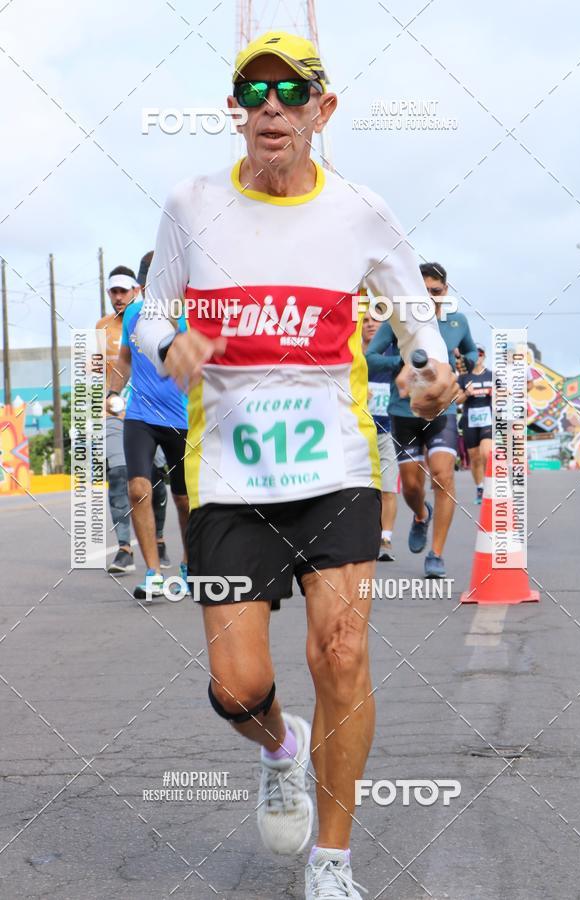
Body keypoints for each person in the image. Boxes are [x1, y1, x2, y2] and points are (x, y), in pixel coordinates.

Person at [136, 30, 456, 899]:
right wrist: (172, 344)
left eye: (289, 92)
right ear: (237, 110)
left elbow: (413, 323)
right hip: (230, 478)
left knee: (343, 651)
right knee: (239, 688)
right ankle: (279, 745)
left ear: (324, 109)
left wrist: (430, 373)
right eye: (253, 92)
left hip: (337, 469)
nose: (270, 107)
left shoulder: (359, 209)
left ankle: (333, 860)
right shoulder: (191, 203)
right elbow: (147, 313)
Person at [366, 262, 477, 578]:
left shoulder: (457, 322)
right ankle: (420, 514)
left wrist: (463, 363)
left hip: (443, 410)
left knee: (443, 477)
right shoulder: (399, 320)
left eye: (436, 291)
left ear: (446, 291)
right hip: (404, 412)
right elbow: (370, 359)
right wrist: (402, 361)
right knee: (412, 487)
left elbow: (469, 354)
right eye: (424, 291)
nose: (430, 298)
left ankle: (436, 555)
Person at [107, 291, 189, 599]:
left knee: (184, 500)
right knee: (138, 490)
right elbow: (125, 359)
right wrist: (112, 392)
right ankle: (153, 573)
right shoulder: (133, 314)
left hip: (182, 417)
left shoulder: (190, 313)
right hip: (140, 415)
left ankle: (189, 567)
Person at [98, 266, 170, 574]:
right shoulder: (101, 327)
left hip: (153, 412)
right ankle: (125, 549)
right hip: (116, 413)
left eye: (122, 291)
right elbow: (92, 372)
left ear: (136, 291)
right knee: (118, 475)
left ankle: (159, 538)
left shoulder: (153, 320)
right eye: (113, 292)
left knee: (155, 481)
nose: (117, 297)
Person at [362, 309, 399, 561]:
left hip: (388, 429)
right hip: (358, 431)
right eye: (365, 320)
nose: (370, 325)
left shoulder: (390, 354)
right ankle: (367, 535)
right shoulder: (353, 354)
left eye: (375, 321)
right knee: (364, 491)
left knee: (388, 488)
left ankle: (385, 537)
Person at [456, 345, 493, 503]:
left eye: (481, 353)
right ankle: (480, 487)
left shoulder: (492, 375)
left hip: (488, 420)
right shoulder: (464, 377)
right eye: (475, 353)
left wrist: (497, 393)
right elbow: (456, 400)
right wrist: (466, 393)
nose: (478, 356)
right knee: (475, 458)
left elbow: (506, 396)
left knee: (486, 454)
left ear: (484, 356)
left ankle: (489, 485)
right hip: (469, 421)